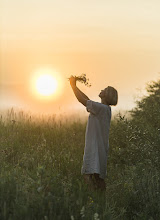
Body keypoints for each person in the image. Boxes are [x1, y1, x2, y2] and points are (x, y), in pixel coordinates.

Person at [69, 76, 118, 191]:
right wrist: (76, 86)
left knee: (88, 175)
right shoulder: (103, 108)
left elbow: (83, 100)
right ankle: (101, 201)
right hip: (99, 147)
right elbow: (87, 100)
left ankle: (95, 199)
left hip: (95, 147)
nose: (102, 90)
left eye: (105, 90)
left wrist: (72, 86)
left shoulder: (101, 108)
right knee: (97, 176)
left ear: (107, 95)